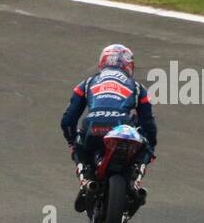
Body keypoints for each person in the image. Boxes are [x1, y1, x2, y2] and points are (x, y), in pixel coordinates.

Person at [60, 44, 156, 213]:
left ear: (102, 62)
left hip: (92, 128)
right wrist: (150, 147)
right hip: (122, 128)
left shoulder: (87, 83)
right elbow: (148, 123)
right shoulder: (138, 87)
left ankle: (87, 182)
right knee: (146, 147)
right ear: (128, 65)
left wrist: (71, 140)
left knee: (79, 147)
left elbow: (68, 120)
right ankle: (135, 184)